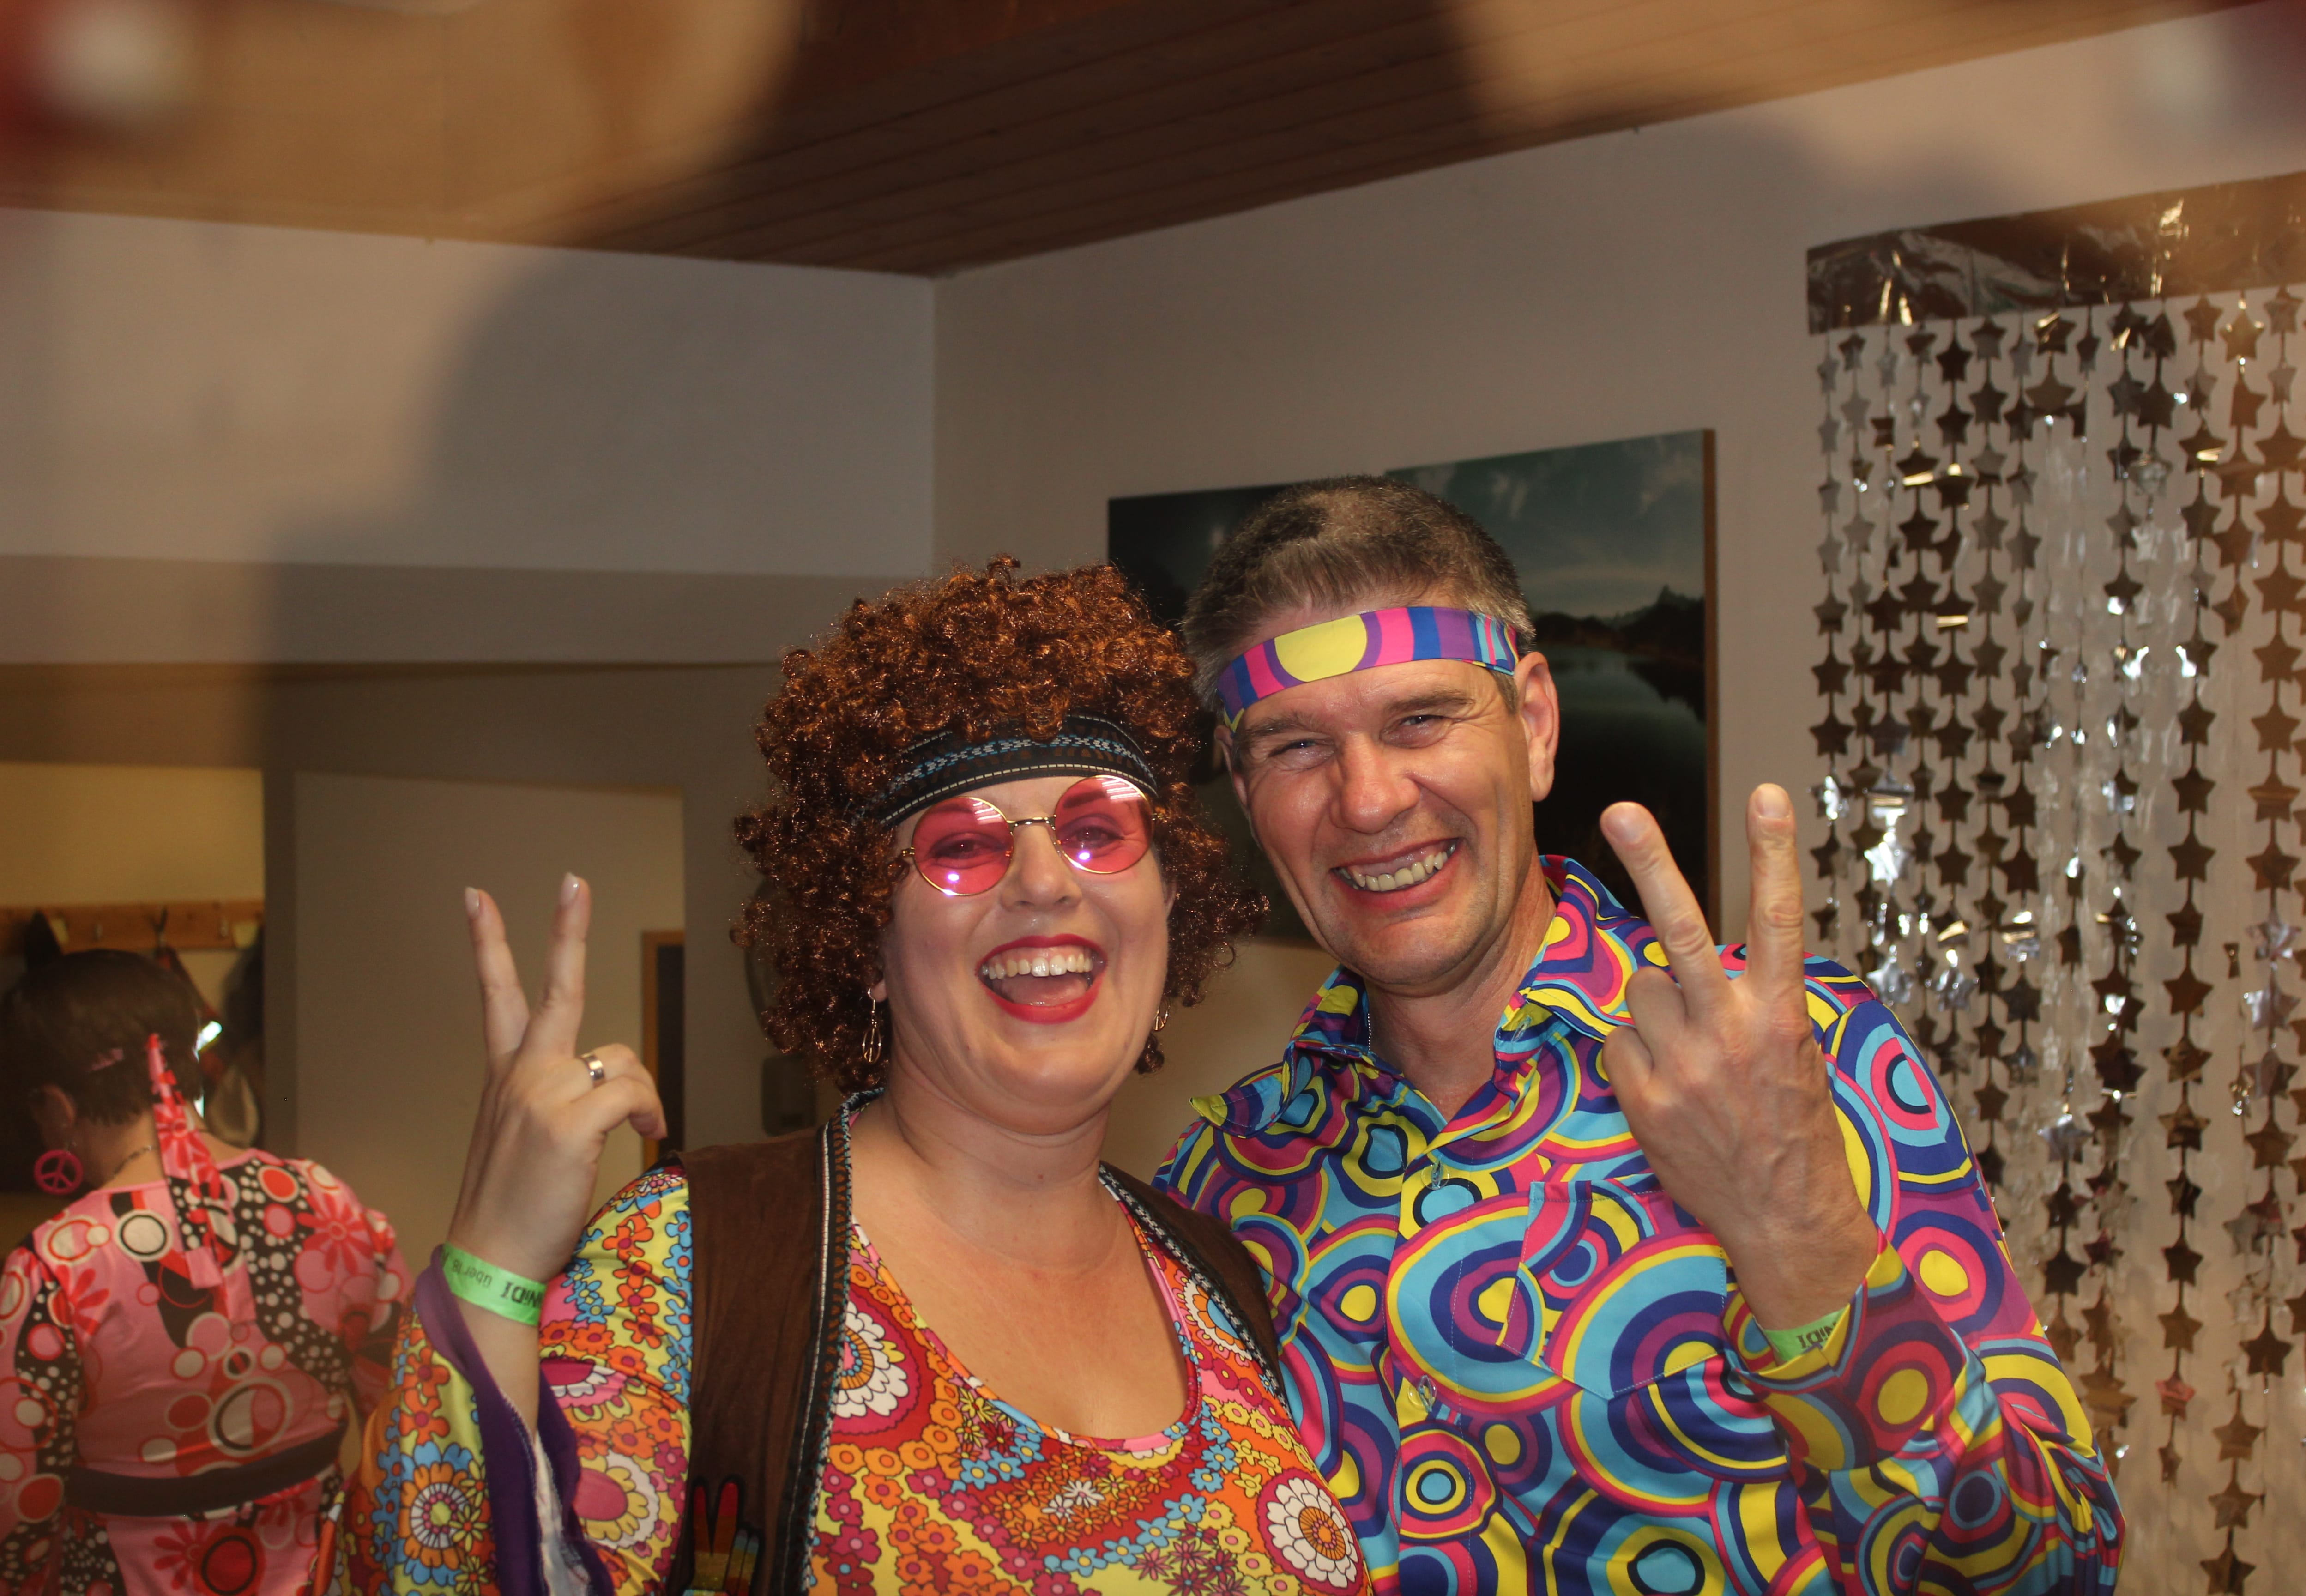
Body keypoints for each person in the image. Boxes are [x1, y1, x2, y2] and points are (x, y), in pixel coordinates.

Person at [320, 561, 1372, 1596]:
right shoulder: (691, 1263)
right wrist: (493, 1266)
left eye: (1098, 831)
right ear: (864, 939)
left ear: (1168, 904)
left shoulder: (1221, 1278)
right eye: (962, 847)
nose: (1046, 882)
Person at [1155, 478, 2122, 1594]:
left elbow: (2055, 1574)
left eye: (1419, 719)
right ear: (1243, 788)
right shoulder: (1221, 1185)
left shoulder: (1789, 1055)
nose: (1367, 800)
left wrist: (1801, 1246)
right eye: (1293, 746)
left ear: (1533, 725)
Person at [0, 949, 408, 1596]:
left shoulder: (58, 1264)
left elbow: (19, 1508)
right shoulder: (329, 1203)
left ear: (57, 1105)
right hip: (320, 1575)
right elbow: (403, 1421)